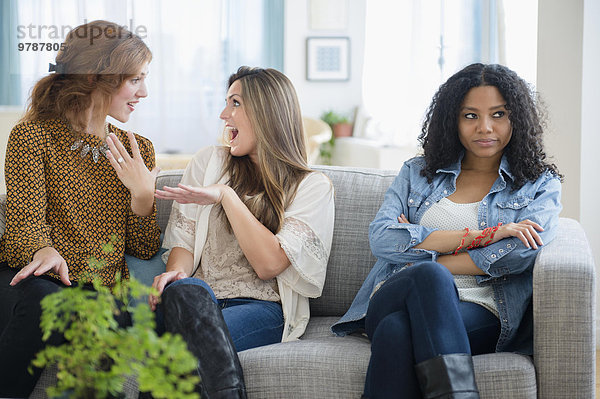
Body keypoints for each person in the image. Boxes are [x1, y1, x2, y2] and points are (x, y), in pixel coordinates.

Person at [331, 63, 562, 399]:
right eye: (471, 116)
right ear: (452, 119)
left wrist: (429, 256)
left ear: (517, 119)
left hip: (483, 308)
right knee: (428, 281)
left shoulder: (540, 184)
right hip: (395, 294)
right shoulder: (417, 173)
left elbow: (522, 252)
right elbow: (382, 238)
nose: (485, 127)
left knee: (398, 331)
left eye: (498, 114)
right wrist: (487, 235)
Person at [150, 66, 335, 398]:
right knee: (185, 291)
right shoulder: (208, 162)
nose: (224, 115)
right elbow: (184, 241)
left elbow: (269, 264)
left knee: (179, 355)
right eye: (226, 103)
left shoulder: (312, 187)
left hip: (258, 307)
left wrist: (227, 196)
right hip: (193, 301)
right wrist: (174, 274)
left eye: (234, 103)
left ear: (267, 112)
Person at [0, 20, 160, 396]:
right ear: (96, 78)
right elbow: (24, 223)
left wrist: (142, 195)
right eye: (135, 80)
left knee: (98, 313)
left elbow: (144, 249)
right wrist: (44, 250)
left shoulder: (138, 150)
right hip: (31, 283)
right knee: (47, 300)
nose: (145, 92)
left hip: (99, 293)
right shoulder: (33, 135)